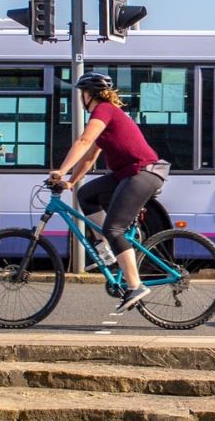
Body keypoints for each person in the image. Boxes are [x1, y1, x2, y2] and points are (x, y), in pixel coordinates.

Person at [49, 72, 171, 313]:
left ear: (88, 94)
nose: (80, 99)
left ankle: (135, 285)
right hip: (128, 174)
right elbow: (90, 156)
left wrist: (61, 171)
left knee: (114, 228)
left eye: (81, 94)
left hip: (142, 172)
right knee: (86, 195)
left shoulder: (104, 109)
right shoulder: (106, 119)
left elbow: (83, 141)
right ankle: (106, 246)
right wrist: (72, 182)